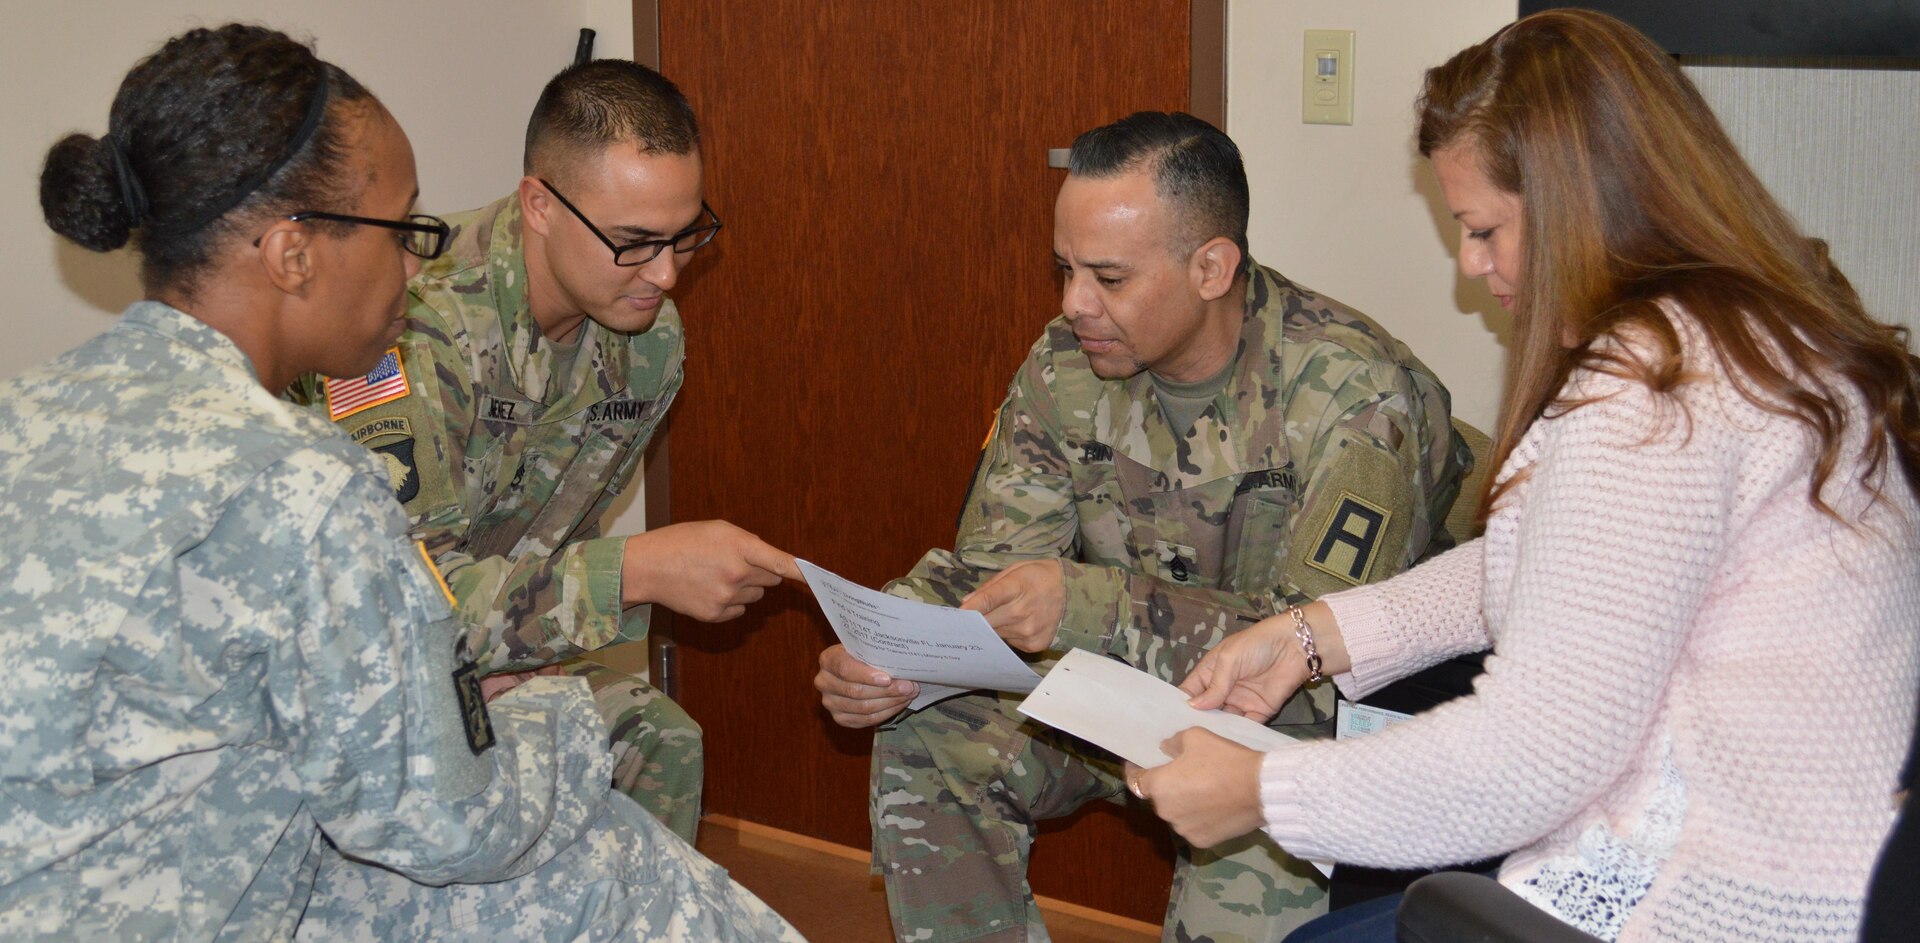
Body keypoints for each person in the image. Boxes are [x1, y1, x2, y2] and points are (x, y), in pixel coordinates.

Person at [1132, 11, 1920, 943]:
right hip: (1823, 872)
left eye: (1483, 229)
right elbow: (1572, 557)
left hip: (1714, 897)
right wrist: (1315, 634)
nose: (1471, 267)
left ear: (1581, 203)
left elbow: (1537, 751)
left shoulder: (1653, 391)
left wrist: (1264, 789)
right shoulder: (1759, 329)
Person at [0, 25, 800, 941]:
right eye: (405, 229)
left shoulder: (23, 411)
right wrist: (557, 707)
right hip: (194, 891)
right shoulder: (307, 481)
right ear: (293, 254)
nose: (422, 261)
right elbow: (444, 820)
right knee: (633, 883)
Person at [815, 112, 1470, 943]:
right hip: (1111, 699)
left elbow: (1316, 667)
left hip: (1283, 741)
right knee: (932, 737)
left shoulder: (1351, 397)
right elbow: (994, 576)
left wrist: (1090, 603)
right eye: (1065, 269)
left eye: (1109, 278)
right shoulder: (1065, 367)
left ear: (1211, 267)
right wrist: (892, 648)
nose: (1072, 303)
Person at [289, 58, 800, 844]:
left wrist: (530, 655)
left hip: (490, 650)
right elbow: (400, 602)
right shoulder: (406, 323)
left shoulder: (646, 339)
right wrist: (641, 570)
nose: (665, 275)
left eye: (685, 235)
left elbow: (555, 545)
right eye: (633, 242)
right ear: (540, 205)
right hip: (352, 667)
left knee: (658, 737)